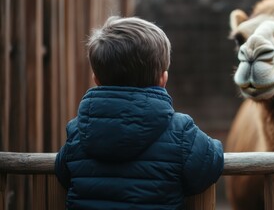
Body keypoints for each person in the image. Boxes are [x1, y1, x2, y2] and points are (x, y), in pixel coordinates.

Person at [55, 16, 224, 210]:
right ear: (163, 79)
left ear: (96, 79)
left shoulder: (77, 132)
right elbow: (210, 164)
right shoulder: (181, 132)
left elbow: (62, 174)